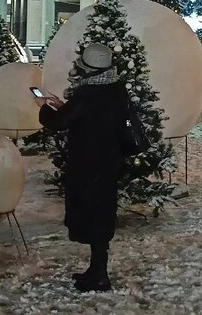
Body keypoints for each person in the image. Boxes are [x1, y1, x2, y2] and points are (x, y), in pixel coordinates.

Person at [36, 43, 129, 292]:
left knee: (91, 214)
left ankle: (99, 275)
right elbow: (87, 116)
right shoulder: (116, 89)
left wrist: (45, 108)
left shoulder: (88, 94)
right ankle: (97, 269)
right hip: (109, 162)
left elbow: (59, 123)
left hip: (88, 166)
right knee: (102, 214)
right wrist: (63, 105)